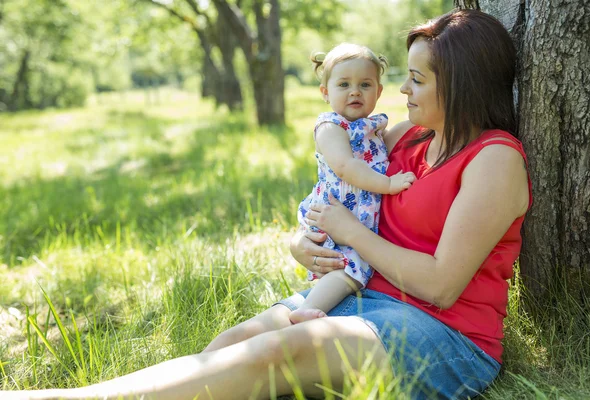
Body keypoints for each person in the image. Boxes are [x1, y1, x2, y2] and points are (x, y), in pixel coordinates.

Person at [6, 9, 531, 400]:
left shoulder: (493, 160)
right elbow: (338, 190)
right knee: (236, 342)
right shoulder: (407, 137)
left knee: (280, 353)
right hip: (367, 295)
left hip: (445, 334)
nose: (401, 89)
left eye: (417, 79)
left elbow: (441, 284)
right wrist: (303, 241)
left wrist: (351, 233)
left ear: (460, 85)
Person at [291, 43, 416, 324]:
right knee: (347, 269)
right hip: (335, 212)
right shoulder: (330, 127)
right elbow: (347, 167)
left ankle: (314, 306)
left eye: (365, 84)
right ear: (325, 92)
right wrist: (389, 184)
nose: (355, 91)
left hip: (354, 217)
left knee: (351, 270)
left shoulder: (372, 127)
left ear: (379, 92)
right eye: (344, 84)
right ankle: (306, 311)